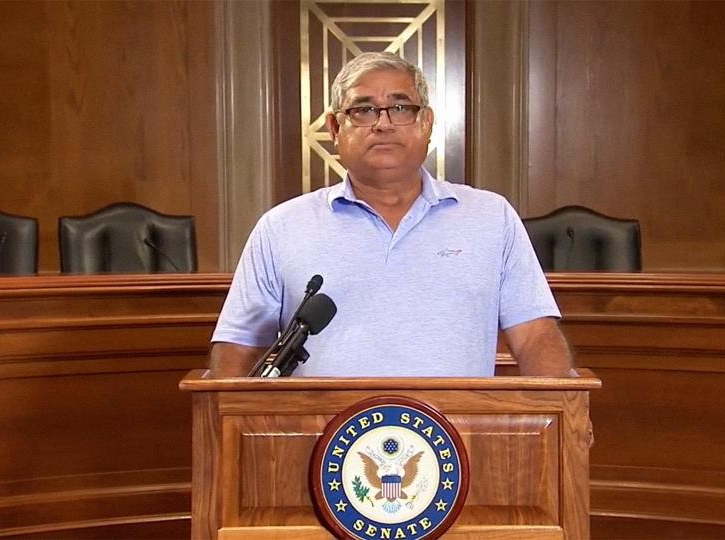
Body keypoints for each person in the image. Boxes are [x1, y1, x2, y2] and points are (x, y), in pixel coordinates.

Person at [210, 51, 575, 378]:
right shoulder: (281, 227)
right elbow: (240, 349)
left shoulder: (491, 217)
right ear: (336, 128)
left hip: (458, 442)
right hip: (320, 446)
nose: (383, 124)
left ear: (426, 123)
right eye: (363, 109)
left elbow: (535, 337)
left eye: (401, 108)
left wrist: (562, 419)